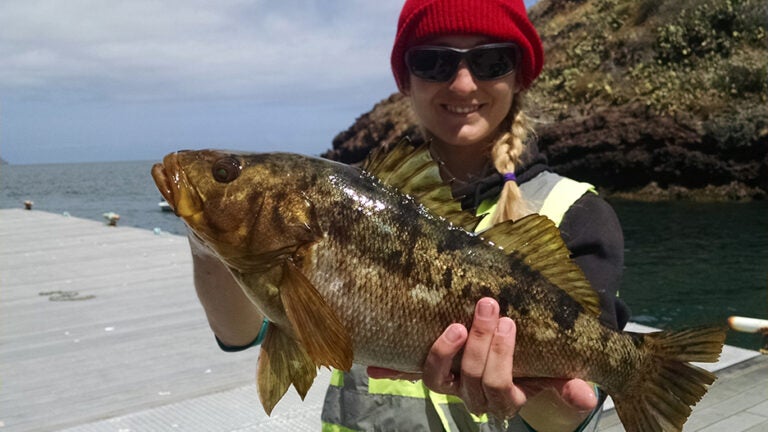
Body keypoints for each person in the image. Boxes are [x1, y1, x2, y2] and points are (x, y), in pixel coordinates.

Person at [190, 0, 629, 430]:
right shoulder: (344, 200)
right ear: (406, 79)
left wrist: (533, 397)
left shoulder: (578, 214)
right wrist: (207, 239)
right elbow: (239, 333)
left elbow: (578, 406)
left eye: (491, 62)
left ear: (519, 76)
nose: (462, 84)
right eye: (433, 62)